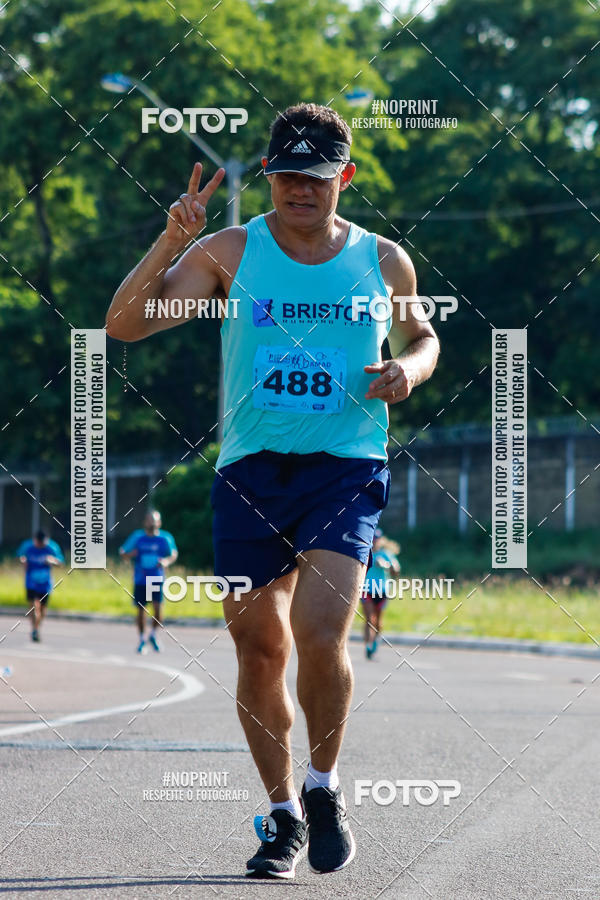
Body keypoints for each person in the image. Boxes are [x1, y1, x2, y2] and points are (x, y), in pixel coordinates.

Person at [107, 103, 439, 879]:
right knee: (259, 649)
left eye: (317, 177)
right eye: (288, 175)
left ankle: (323, 791)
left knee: (324, 629)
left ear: (344, 178)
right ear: (268, 176)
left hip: (346, 466)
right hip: (249, 474)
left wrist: (409, 371)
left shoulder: (383, 260)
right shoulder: (230, 251)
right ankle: (283, 815)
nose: (301, 190)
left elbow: (423, 335)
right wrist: (171, 240)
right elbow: (124, 326)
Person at [119, 510, 178, 653]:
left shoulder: (165, 538)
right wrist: (129, 554)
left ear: (159, 523)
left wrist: (166, 561)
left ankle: (152, 635)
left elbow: (173, 554)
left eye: (154, 520)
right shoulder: (137, 537)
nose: (152, 522)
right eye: (149, 520)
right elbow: (123, 552)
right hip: (140, 580)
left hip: (156, 579)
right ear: (145, 522)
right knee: (141, 611)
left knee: (158, 612)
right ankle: (141, 639)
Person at [16, 529, 64, 642]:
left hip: (45, 583)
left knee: (42, 610)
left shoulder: (52, 547)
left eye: (43, 543)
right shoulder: (27, 546)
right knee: (33, 606)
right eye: (39, 543)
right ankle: (34, 629)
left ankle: (36, 628)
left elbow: (61, 562)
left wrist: (53, 561)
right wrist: (23, 561)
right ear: (35, 540)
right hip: (31, 582)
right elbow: (19, 556)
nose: (41, 545)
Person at [361, 528, 401, 659]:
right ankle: (368, 646)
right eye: (372, 539)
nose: (374, 541)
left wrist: (386, 565)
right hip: (366, 590)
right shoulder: (364, 553)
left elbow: (396, 569)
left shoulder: (386, 554)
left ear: (380, 540)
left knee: (378, 622)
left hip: (382, 591)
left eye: (376, 539)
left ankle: (375, 642)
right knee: (369, 619)